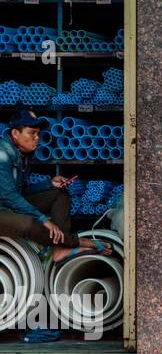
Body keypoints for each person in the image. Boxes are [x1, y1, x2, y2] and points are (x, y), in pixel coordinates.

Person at [0, 110, 109, 262]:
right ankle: (76, 241)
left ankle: (60, 249)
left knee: (59, 194)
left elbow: (20, 192)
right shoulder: (3, 154)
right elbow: (9, 196)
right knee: (29, 223)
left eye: (38, 133)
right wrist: (44, 219)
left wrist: (49, 184)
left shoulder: (21, 154)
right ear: (15, 133)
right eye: (32, 133)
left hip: (10, 205)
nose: (37, 138)